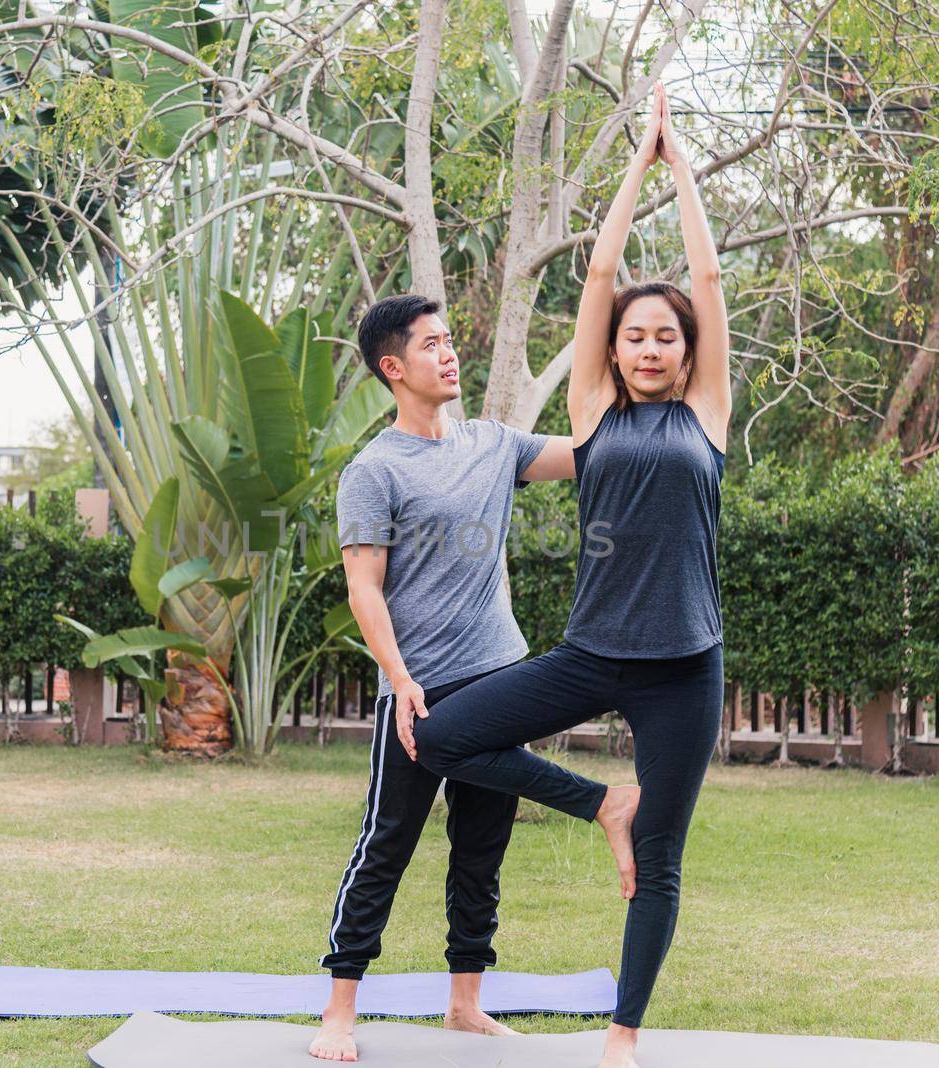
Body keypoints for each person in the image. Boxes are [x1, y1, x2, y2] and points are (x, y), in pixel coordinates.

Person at [411, 84, 731, 1068]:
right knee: (442, 736)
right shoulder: (594, 411)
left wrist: (684, 177)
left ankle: (622, 1035)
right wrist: (638, 161)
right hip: (593, 656)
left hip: (684, 667)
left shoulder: (705, 417)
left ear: (682, 354)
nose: (648, 345)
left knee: (661, 871)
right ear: (614, 350)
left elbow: (710, 283)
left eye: (663, 336)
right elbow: (597, 272)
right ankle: (603, 803)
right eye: (634, 334)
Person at [308, 294, 611, 1063]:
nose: (449, 355)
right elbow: (363, 589)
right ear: (392, 367)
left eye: (449, 342)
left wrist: (636, 384)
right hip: (419, 691)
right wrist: (399, 679)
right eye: (431, 345)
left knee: (483, 847)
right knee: (388, 845)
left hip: (498, 680)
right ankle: (339, 1011)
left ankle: (466, 1005)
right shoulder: (374, 470)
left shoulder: (493, 443)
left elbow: (585, 452)